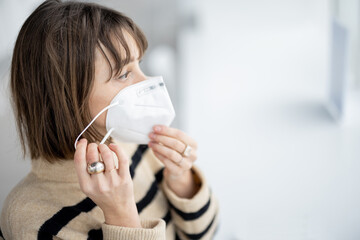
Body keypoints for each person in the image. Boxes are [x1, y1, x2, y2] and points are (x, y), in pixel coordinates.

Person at [0, 0, 219, 239]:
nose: (145, 82)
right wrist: (121, 214)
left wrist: (182, 181)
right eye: (124, 74)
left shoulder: (138, 146)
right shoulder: (30, 219)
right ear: (66, 97)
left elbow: (205, 233)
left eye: (140, 64)